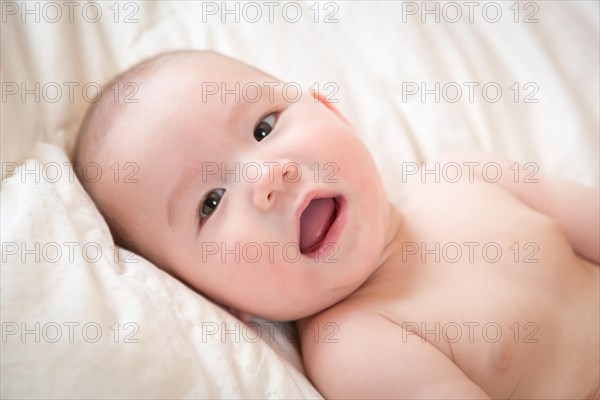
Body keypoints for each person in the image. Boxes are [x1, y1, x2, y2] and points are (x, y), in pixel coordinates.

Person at [74, 50, 599, 399]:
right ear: (212, 298)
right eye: (211, 202)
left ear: (331, 111)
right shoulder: (354, 344)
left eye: (263, 127)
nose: (267, 176)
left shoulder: (461, 174)